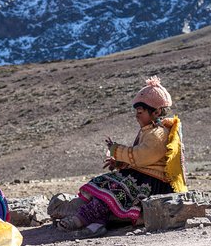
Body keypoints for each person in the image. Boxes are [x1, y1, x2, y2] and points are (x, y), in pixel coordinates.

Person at [57, 76, 187, 237]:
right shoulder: (150, 130)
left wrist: (117, 150)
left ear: (157, 111)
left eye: (140, 112)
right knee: (105, 184)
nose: (137, 116)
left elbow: (142, 157)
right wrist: (119, 163)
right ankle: (97, 224)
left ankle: (82, 219)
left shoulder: (159, 134)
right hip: (143, 177)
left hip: (152, 183)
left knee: (114, 189)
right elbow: (141, 161)